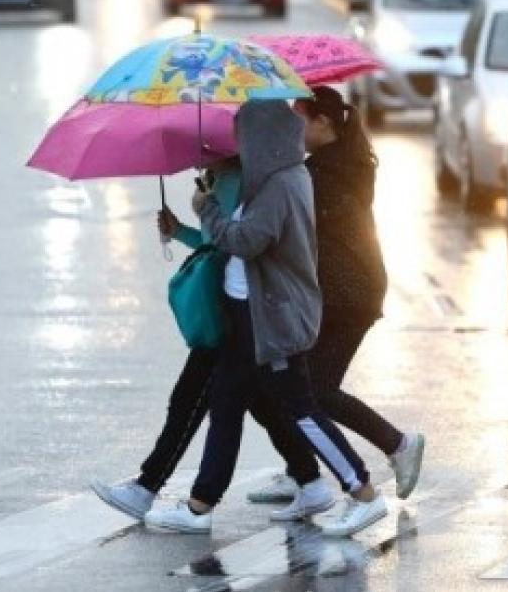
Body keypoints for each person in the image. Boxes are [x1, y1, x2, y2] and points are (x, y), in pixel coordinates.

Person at [143, 100, 387, 537]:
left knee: (301, 408)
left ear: (265, 138)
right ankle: (200, 506)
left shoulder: (282, 184)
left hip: (271, 316)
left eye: (244, 137)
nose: (239, 146)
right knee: (226, 405)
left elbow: (247, 240)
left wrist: (208, 209)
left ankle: (363, 492)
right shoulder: (271, 180)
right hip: (247, 313)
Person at [90, 157, 319, 522]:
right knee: (261, 404)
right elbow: (218, 245)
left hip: (230, 312)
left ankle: (149, 488)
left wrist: (206, 206)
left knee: (190, 400)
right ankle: (310, 479)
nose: (196, 151)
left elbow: (235, 245)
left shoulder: (235, 180)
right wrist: (180, 230)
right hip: (234, 307)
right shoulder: (225, 177)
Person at [252, 86, 423, 516]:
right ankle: (301, 471)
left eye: (299, 120)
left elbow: (291, 222)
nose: (293, 129)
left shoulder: (327, 175)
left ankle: (396, 444)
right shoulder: (339, 163)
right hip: (344, 290)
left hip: (347, 294)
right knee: (296, 386)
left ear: (322, 123)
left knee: (313, 390)